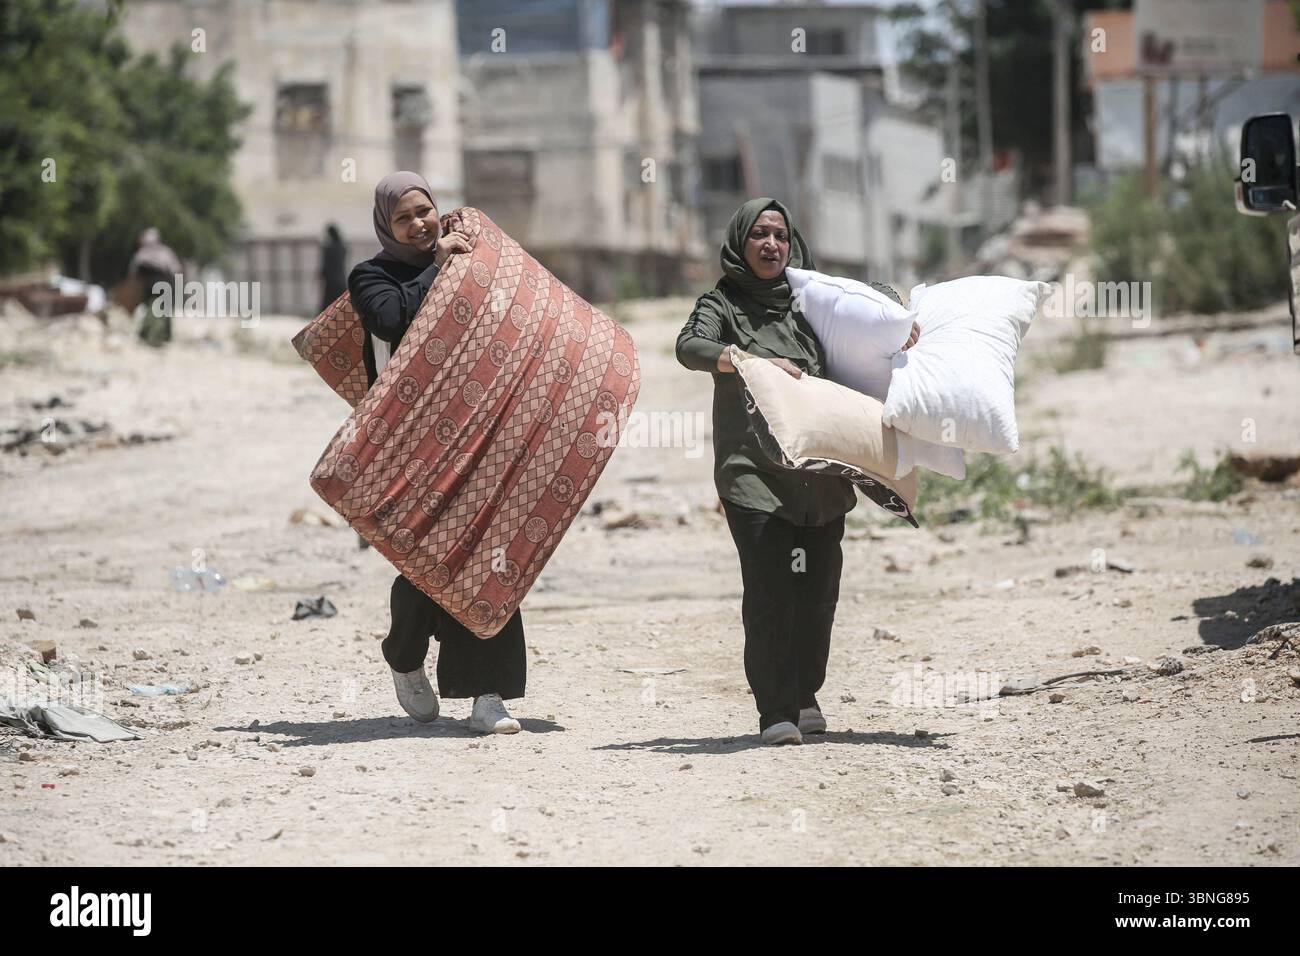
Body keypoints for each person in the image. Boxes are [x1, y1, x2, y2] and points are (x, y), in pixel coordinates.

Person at [675, 197, 918, 745]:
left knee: (817, 595)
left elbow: (869, 311)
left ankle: (806, 693)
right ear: (740, 244)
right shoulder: (724, 304)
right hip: (754, 477)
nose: (770, 245)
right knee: (770, 594)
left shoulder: (810, 302)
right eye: (758, 235)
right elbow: (689, 347)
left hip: (821, 483)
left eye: (779, 236)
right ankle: (776, 710)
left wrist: (900, 329)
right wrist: (750, 362)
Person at [347, 171, 526, 735]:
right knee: (427, 560)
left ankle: (487, 694)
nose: (419, 223)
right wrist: (436, 267)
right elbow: (392, 318)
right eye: (404, 217)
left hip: (479, 431)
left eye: (424, 211)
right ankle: (404, 654)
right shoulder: (370, 276)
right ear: (385, 225)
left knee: (489, 555)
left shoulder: (465, 260)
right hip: (409, 444)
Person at [129, 228, 181, 348]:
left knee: (153, 311)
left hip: (153, 286)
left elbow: (134, 272)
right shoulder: (165, 252)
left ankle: (149, 336)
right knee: (161, 311)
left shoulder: (142, 253)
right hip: (164, 285)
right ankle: (160, 337)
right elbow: (176, 269)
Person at [319, 223, 348, 312]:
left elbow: (326, 264)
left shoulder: (329, 247)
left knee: (328, 305)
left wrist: (322, 274)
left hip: (331, 280)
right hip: (340, 279)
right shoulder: (342, 247)